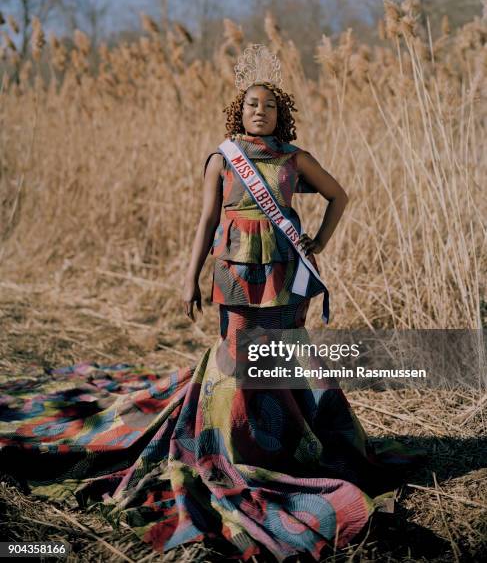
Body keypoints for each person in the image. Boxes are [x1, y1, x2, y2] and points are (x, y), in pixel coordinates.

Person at [0, 45, 425, 562]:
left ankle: (291, 440)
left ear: (281, 113)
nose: (259, 112)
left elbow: (340, 195)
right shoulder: (223, 158)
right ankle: (233, 446)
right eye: (251, 105)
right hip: (234, 272)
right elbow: (205, 222)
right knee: (238, 355)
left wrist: (320, 242)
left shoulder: (296, 159)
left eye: (268, 105)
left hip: (286, 274)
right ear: (238, 111)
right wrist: (190, 277)